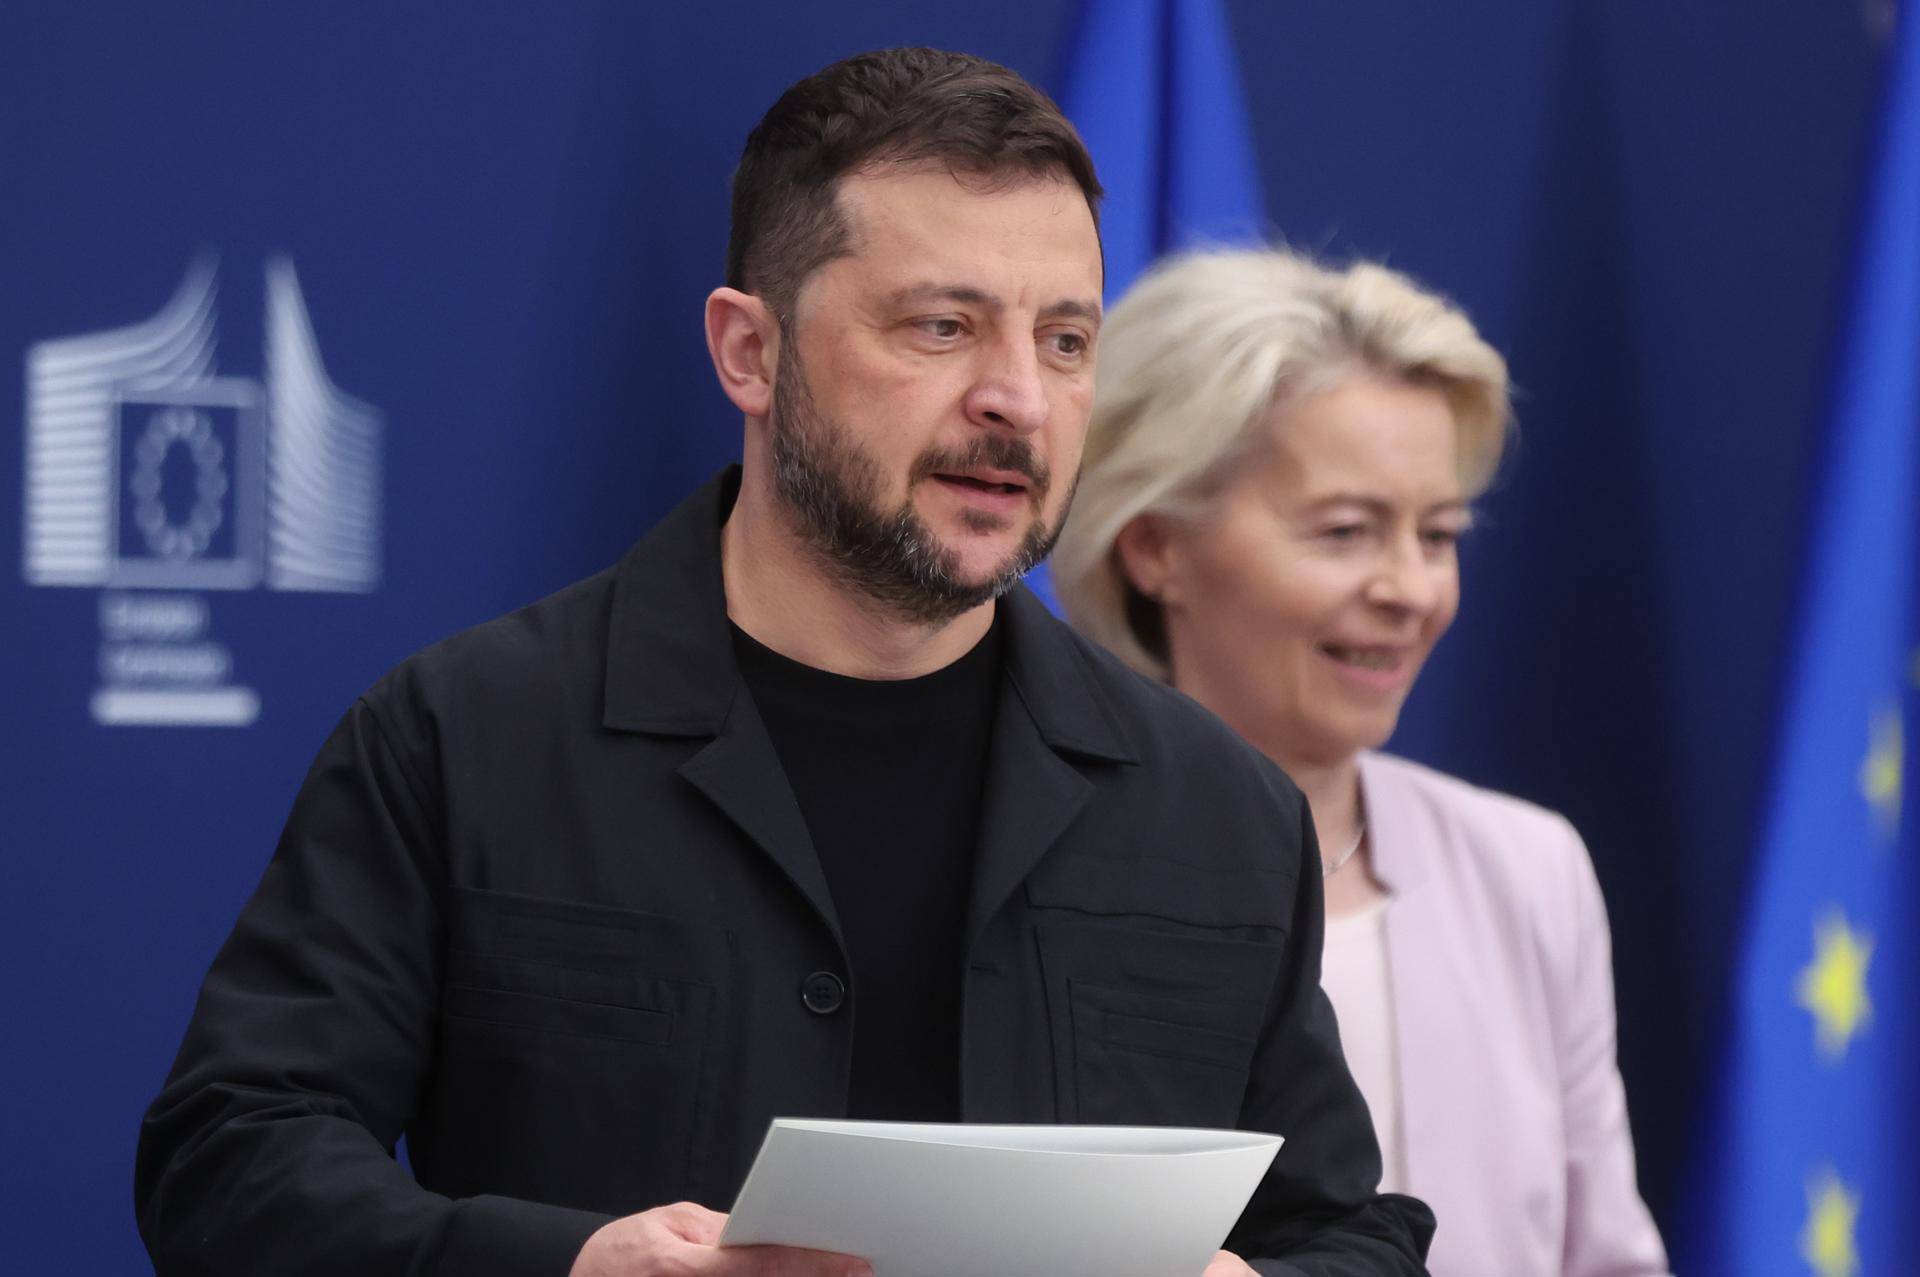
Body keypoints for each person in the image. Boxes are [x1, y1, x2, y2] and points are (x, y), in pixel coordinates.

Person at [134, 51, 1433, 1277]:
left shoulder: (1216, 805)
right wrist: (564, 1262)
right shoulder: (462, 736)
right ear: (749, 351)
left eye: (1065, 341)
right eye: (943, 326)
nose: (1019, 400)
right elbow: (231, 1155)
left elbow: (1345, 1228)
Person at [1052, 247, 1671, 1277]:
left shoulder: (1529, 868)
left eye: (1438, 533)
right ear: (1154, 547)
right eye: (1346, 531)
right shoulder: (1029, 868)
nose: (1410, 589)